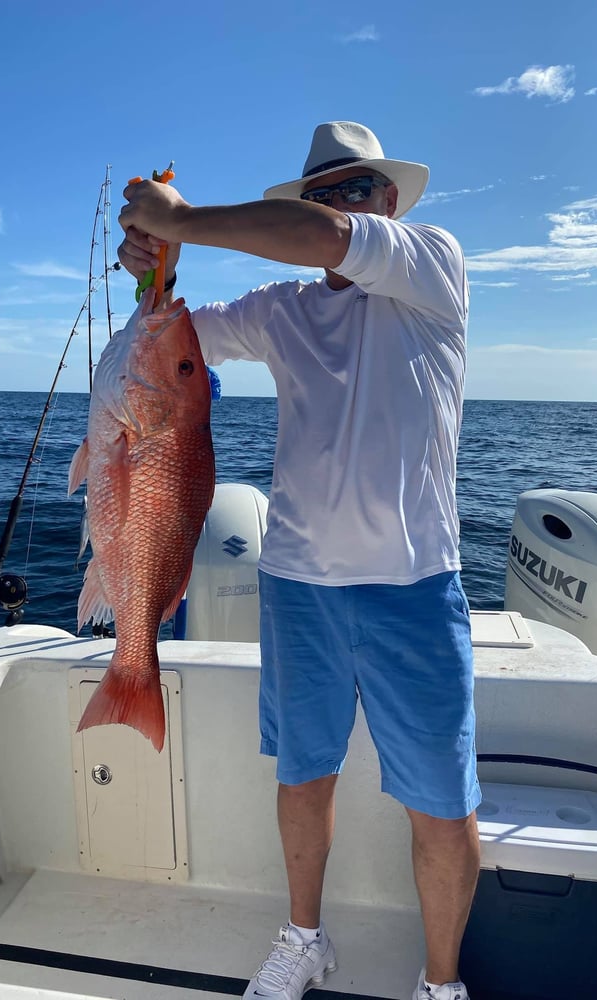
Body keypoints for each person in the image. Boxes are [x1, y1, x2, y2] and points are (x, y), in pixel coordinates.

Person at [117, 121, 481, 1000]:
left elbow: (327, 243)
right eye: (322, 194)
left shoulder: (431, 266)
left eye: (355, 190)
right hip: (297, 587)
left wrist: (184, 215)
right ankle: (303, 938)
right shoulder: (279, 311)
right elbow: (168, 345)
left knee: (440, 802)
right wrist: (154, 270)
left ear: (387, 201)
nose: (338, 208)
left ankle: (441, 985)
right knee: (302, 775)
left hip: (415, 589)